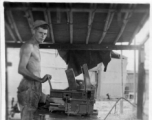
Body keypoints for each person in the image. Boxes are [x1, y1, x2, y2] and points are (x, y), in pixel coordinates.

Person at [17, 20, 52, 120]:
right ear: (34, 31)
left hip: (35, 87)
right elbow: (21, 69)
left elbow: (34, 68)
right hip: (28, 87)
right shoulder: (28, 46)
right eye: (40, 33)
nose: (43, 36)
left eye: (45, 34)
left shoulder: (36, 46)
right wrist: (40, 79)